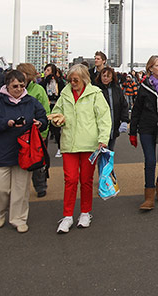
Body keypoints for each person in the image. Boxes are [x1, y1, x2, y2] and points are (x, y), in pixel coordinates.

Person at [0, 70, 48, 233]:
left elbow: (43, 117)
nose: (18, 89)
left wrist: (39, 123)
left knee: (21, 189)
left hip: (25, 151)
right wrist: (7, 123)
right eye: (14, 86)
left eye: (21, 86)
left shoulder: (31, 102)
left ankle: (18, 218)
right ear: (7, 85)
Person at [50, 64, 111, 233]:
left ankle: (85, 212)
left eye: (75, 79)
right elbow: (56, 112)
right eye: (70, 79)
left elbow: (104, 118)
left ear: (84, 79)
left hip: (90, 144)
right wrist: (57, 120)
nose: (72, 82)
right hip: (69, 143)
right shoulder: (65, 93)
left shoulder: (95, 95)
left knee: (86, 180)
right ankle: (67, 215)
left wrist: (103, 139)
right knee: (70, 180)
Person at [129, 55, 158, 210]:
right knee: (150, 161)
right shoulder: (144, 87)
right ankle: (149, 195)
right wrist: (132, 131)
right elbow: (136, 110)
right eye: (157, 65)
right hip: (147, 128)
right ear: (150, 68)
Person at [16, 63, 52, 198]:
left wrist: (43, 132)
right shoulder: (14, 89)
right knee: (20, 160)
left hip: (36, 132)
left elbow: (46, 112)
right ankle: (21, 187)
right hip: (19, 133)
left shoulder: (38, 90)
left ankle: (40, 186)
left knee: (38, 161)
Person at [95, 66, 129, 151]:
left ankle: (108, 164)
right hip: (99, 127)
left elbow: (123, 105)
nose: (105, 78)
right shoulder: (96, 90)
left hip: (114, 125)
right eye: (104, 76)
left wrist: (124, 120)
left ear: (112, 78)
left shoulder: (117, 90)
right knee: (101, 152)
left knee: (110, 151)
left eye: (108, 76)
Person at [40, 63, 66, 157]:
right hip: (46, 107)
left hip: (56, 106)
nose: (46, 72)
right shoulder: (43, 83)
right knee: (45, 129)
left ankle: (60, 148)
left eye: (48, 70)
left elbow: (62, 93)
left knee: (56, 129)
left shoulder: (59, 82)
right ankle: (44, 150)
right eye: (45, 70)